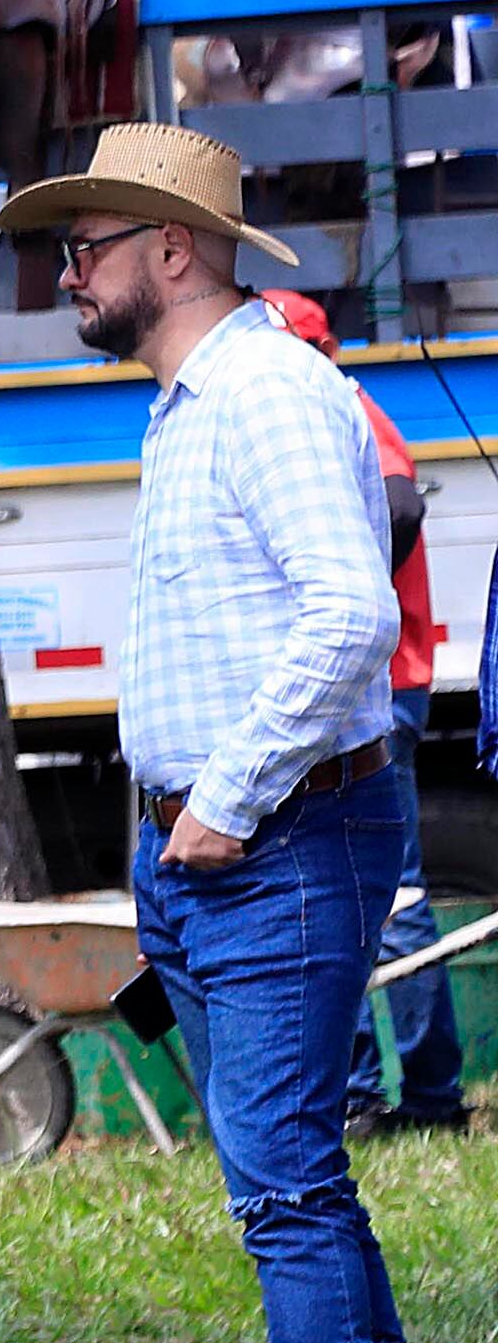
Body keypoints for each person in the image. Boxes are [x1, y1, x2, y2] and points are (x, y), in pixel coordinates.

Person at [0, 124, 457, 1343]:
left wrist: (228, 803)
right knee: (295, 1180)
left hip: (276, 837)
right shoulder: (195, 403)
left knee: (285, 1190)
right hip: (212, 848)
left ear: (172, 251)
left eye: (90, 245)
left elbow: (347, 619)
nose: (68, 270)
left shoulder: (263, 393)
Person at [260, 296, 468, 1131]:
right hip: (369, 689)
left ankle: (425, 1097)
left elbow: (404, 507)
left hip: (380, 689)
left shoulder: (341, 404)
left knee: (387, 899)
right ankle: (370, 1096)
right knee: (352, 898)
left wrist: (344, 581)